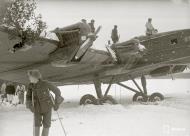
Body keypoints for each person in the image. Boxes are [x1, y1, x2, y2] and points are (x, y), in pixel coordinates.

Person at [26, 69, 64, 136]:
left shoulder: (45, 83)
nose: (29, 78)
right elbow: (28, 96)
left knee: (47, 125)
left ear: (35, 77)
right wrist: (30, 105)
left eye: (30, 77)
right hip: (36, 108)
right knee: (36, 125)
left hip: (47, 108)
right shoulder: (30, 86)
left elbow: (57, 91)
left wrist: (57, 104)